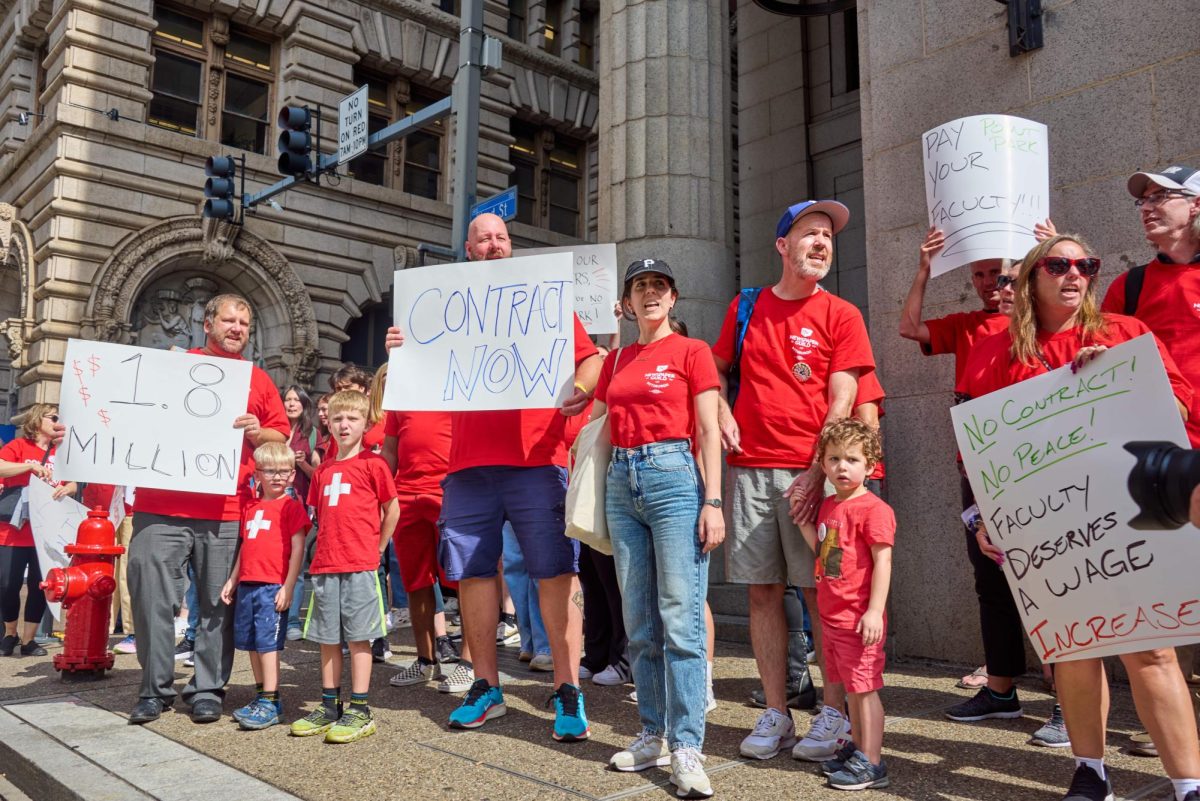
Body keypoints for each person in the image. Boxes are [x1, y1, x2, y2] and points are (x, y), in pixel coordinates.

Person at [960, 234, 1200, 801]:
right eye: (1059, 264)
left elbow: (1183, 407)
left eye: (1086, 264)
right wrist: (979, 515)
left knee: (1152, 647)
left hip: (1132, 515)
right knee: (1073, 646)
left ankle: (1189, 783)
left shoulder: (1124, 333)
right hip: (1051, 523)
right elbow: (976, 446)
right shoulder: (994, 347)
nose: (1076, 273)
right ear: (1030, 278)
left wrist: (1121, 377)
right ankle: (1091, 773)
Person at [385, 212, 602, 742]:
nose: (494, 245)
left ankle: (567, 686)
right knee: (474, 574)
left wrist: (582, 390)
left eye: (502, 237)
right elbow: (413, 380)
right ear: (467, 248)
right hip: (466, 467)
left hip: (539, 459)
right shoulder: (439, 307)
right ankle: (486, 686)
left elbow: (592, 360)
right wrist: (400, 350)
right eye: (484, 238)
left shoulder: (543, 301)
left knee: (555, 573)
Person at [711, 199, 876, 761]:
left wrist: (813, 475)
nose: (822, 243)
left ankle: (833, 714)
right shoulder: (747, 305)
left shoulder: (842, 314)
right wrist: (721, 410)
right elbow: (716, 370)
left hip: (818, 476)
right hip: (751, 469)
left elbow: (845, 397)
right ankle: (777, 712)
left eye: (828, 236)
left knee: (822, 593)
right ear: (783, 246)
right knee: (762, 593)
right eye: (810, 234)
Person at [592, 259, 723, 798]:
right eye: (640, 286)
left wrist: (712, 500)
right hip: (622, 480)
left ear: (673, 299)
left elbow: (710, 430)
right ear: (626, 303)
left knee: (680, 619)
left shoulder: (692, 352)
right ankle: (652, 732)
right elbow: (599, 425)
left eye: (659, 286)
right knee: (638, 620)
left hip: (674, 478)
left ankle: (687, 744)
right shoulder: (617, 358)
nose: (650, 293)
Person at [126, 294, 289, 725]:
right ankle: (154, 689)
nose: (237, 329)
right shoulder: (173, 366)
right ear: (208, 323)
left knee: (218, 605)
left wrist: (258, 431)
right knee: (150, 600)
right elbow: (126, 409)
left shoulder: (258, 380)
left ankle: (207, 688)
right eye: (229, 320)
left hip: (225, 509)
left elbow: (281, 438)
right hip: (159, 505)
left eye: (244, 323)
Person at [290, 390, 399, 743]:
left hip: (360, 564)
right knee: (327, 638)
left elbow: (391, 509)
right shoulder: (323, 472)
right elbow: (321, 515)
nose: (344, 424)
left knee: (358, 637)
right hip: (325, 565)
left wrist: (378, 548)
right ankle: (329, 703)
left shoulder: (374, 465)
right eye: (337, 419)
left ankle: (360, 707)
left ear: (366, 423)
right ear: (329, 424)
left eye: (352, 418)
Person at [798, 419, 894, 790]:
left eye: (852, 459)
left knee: (865, 689)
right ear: (822, 464)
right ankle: (858, 748)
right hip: (832, 617)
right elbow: (826, 556)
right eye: (834, 458)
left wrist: (873, 610)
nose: (842, 466)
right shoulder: (828, 506)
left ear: (870, 466)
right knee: (852, 689)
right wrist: (803, 521)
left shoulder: (874, 510)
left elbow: (883, 562)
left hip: (858, 618)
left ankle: (872, 761)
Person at [219, 442, 309, 730]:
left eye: (284, 471)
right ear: (257, 474)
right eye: (270, 471)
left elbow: (298, 549)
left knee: (269, 646)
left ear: (292, 475)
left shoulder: (291, 508)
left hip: (272, 586)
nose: (277, 477)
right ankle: (261, 697)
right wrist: (233, 579)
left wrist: (289, 586)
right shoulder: (251, 507)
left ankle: (271, 701)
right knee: (252, 645)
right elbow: (246, 545)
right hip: (248, 586)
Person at [381, 397, 457, 688]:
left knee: (467, 580)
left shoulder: (457, 384)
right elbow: (390, 450)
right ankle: (426, 661)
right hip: (407, 496)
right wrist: (382, 496)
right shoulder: (405, 393)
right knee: (416, 580)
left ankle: (470, 663)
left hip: (451, 490)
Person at [0, 405, 76, 657]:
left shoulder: (61, 453)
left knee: (41, 585)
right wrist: (28, 467)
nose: (58, 422)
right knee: (7, 584)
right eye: (53, 417)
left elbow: (74, 481)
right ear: (37, 420)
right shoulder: (19, 446)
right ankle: (10, 632)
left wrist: (70, 488)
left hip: (47, 530)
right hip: (14, 529)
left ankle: (29, 640)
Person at [81, 482, 136, 653]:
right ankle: (101, 628)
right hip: (102, 507)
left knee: (127, 571)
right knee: (102, 570)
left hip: (131, 507)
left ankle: (133, 631)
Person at [281, 385, 318, 502]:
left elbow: (317, 476)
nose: (292, 404)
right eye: (287, 400)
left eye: (297, 400)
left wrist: (302, 463)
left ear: (304, 405)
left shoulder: (313, 433)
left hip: (299, 498)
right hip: (269, 496)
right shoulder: (272, 431)